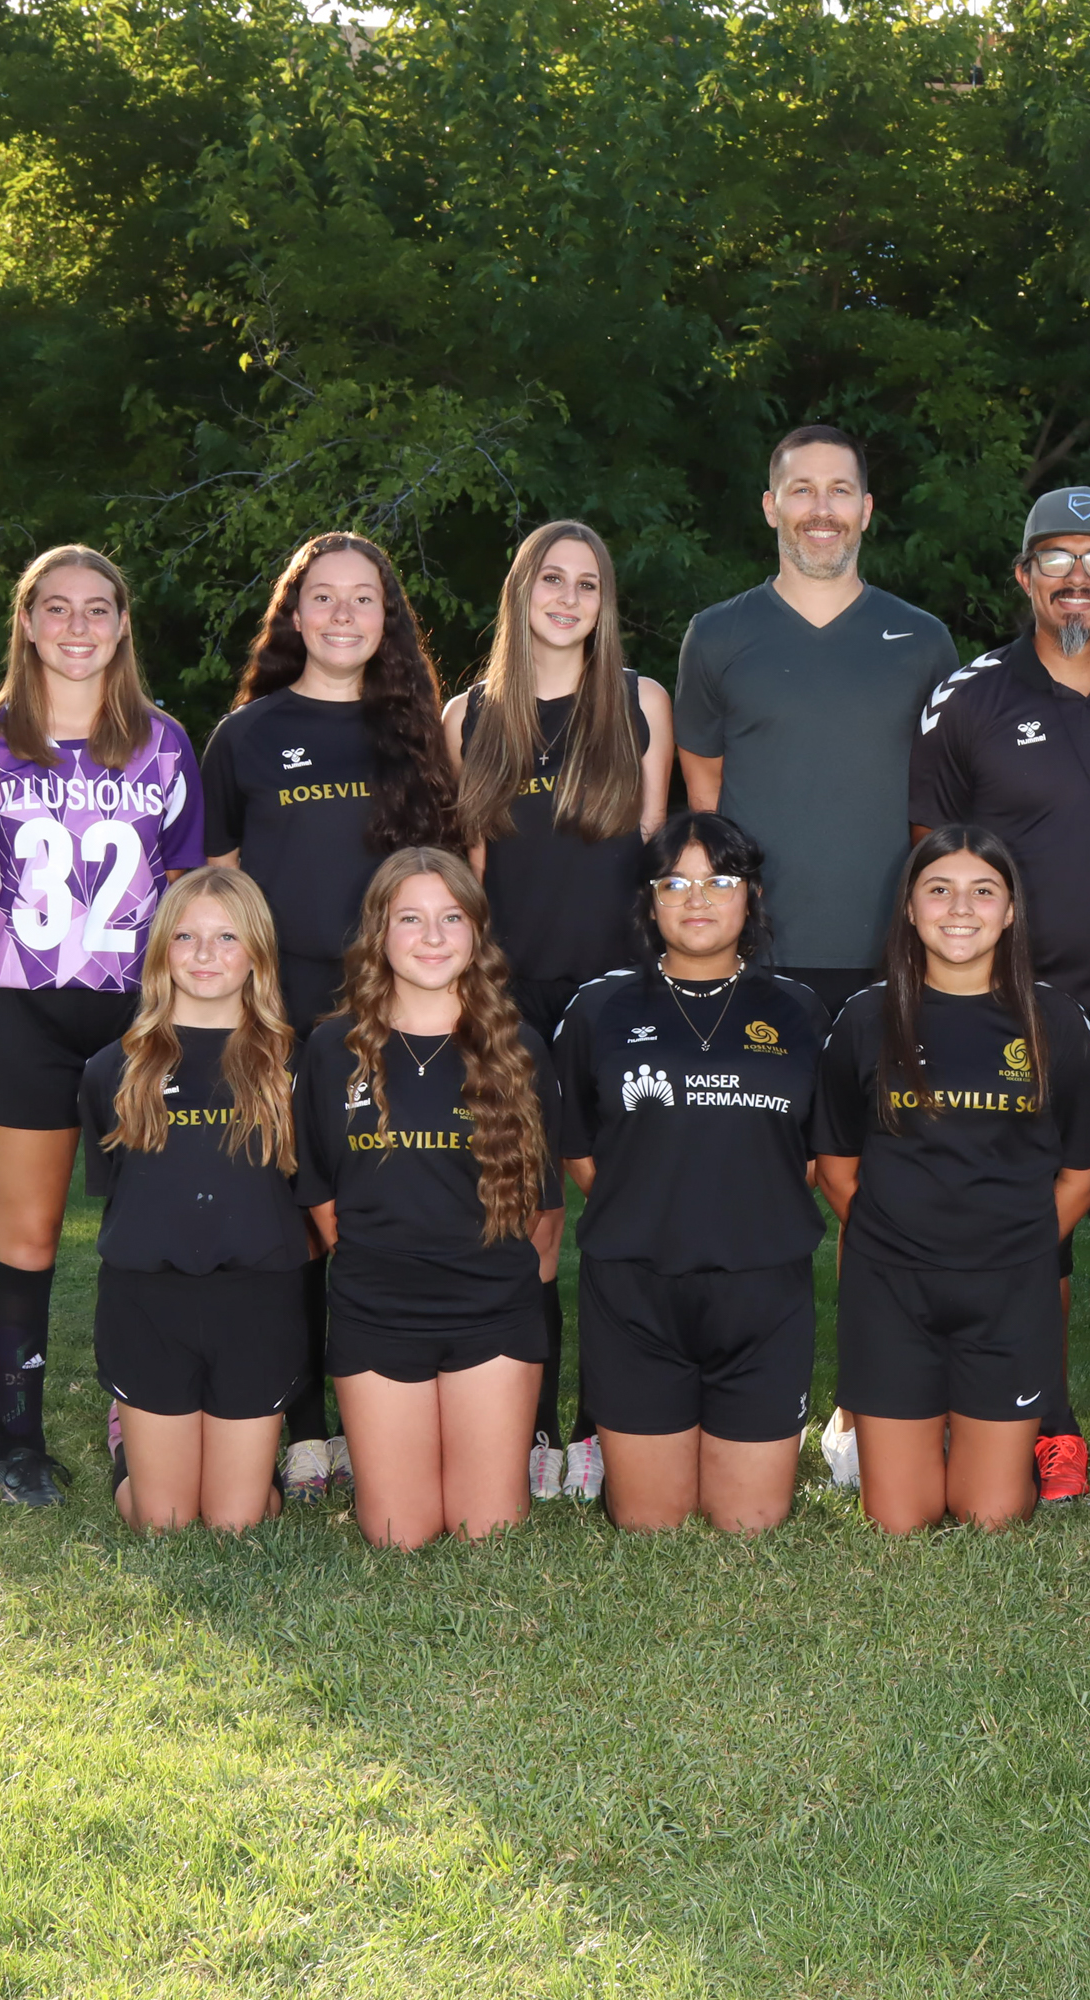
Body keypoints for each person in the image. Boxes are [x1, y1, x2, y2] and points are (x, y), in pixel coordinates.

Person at [908, 485, 1090, 1501]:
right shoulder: (968, 695)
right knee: (1033, 1218)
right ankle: (1048, 1423)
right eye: (1057, 558)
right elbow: (935, 860)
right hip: (1017, 1001)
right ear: (1025, 576)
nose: (1078, 578)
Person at [0, 544, 204, 1507]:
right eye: (56, 607)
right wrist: (16, 972)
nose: (76, 626)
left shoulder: (164, 745)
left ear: (122, 625)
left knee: (151, 1232)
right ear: (28, 622)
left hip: (142, 1024)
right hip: (24, 1019)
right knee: (28, 1236)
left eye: (96, 609)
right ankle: (19, 1445)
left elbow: (185, 888)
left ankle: (147, 1426)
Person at [202, 532, 460, 1500]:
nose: (343, 613)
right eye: (323, 596)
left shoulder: (420, 733)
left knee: (375, 1208)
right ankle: (304, 1424)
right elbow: (219, 885)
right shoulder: (247, 734)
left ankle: (380, 1412)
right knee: (291, 1219)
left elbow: (445, 883)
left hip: (392, 1014)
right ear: (294, 613)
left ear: (388, 618)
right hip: (279, 1016)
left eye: (363, 597)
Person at [443, 519, 674, 1489]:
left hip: (619, 998)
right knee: (529, 1223)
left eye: (587, 583)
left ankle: (598, 1426)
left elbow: (655, 861)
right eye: (551, 578)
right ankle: (532, 1430)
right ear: (519, 590)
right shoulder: (470, 715)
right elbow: (467, 875)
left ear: (604, 602)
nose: (568, 598)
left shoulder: (640, 702)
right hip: (511, 1003)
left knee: (618, 1218)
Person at [808, 827, 1090, 1534]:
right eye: (939, 890)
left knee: (989, 1517)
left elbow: (1084, 1170)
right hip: (892, 1290)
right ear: (909, 908)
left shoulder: (1054, 1020)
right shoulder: (866, 1018)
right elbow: (837, 1167)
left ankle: (975, 1442)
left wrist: (1020, 1245)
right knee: (900, 1520)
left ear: (1011, 911)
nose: (961, 909)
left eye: (984, 891)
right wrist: (900, 1240)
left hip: (1009, 1290)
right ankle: (902, 1435)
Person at [551, 814, 827, 1532]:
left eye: (719, 881)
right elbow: (580, 1152)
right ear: (649, 902)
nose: (697, 899)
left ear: (752, 897)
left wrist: (743, 1205)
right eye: (674, 883)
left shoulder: (798, 1012)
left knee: (749, 1524)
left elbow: (812, 1158)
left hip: (763, 1291)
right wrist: (656, 1204)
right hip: (636, 1291)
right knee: (650, 1525)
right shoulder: (599, 1009)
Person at [292, 849, 565, 1548]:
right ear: (378, 933)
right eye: (410, 919)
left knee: (486, 1532)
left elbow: (541, 1209)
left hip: (493, 1311)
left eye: (452, 918)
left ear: (477, 931)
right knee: (398, 1535)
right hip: (376, 1311)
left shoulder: (520, 1049)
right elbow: (320, 1194)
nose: (433, 937)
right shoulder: (331, 1049)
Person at [675, 425, 960, 1019]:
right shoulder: (715, 635)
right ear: (771, 507)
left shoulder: (925, 641)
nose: (822, 509)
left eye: (840, 490)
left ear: (866, 509)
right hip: (755, 949)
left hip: (893, 950)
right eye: (802, 490)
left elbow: (940, 806)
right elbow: (706, 797)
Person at [78, 867, 307, 1533]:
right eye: (186, 936)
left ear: (258, 952)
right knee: (164, 1523)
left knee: (236, 1524)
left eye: (227, 937)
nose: (205, 953)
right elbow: (121, 1191)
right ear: (161, 950)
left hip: (256, 1304)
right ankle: (130, 1441)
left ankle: (247, 1454)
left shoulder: (293, 1067)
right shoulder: (113, 1069)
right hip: (149, 1305)